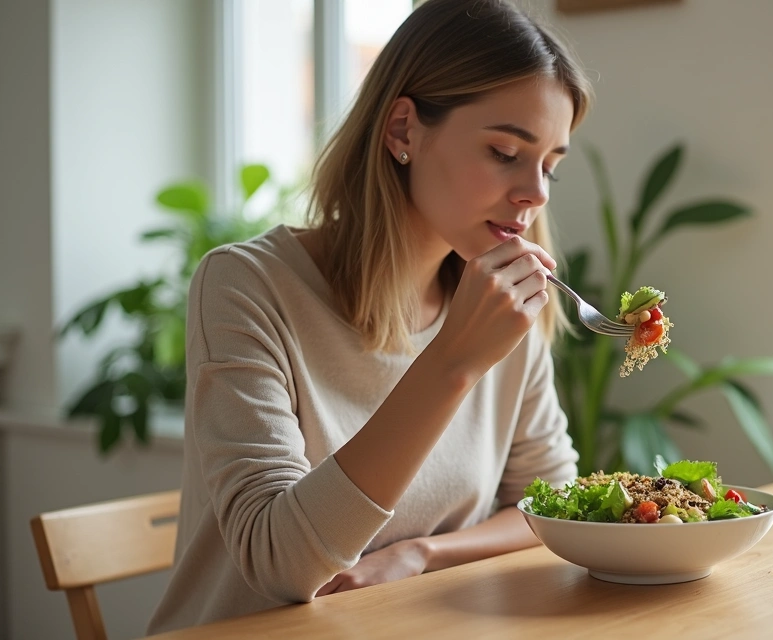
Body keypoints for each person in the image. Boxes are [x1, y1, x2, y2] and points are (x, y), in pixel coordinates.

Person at [148, 0, 590, 632]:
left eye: (550, 165)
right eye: (503, 151)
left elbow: (551, 504)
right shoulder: (245, 285)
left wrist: (421, 554)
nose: (536, 192)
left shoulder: (501, 302)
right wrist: (452, 363)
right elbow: (282, 564)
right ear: (403, 131)